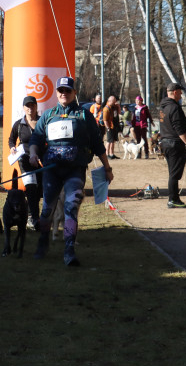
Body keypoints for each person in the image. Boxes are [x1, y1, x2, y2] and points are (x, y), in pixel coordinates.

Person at [28, 76, 113, 265]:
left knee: (71, 207)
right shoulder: (48, 115)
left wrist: (107, 168)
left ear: (74, 93)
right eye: (61, 91)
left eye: (68, 90)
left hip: (75, 170)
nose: (64, 94)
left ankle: (69, 250)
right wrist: (33, 154)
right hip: (51, 171)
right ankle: (43, 242)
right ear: (56, 93)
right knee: (47, 209)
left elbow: (98, 144)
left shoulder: (84, 115)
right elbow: (35, 139)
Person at [158, 82, 186, 208]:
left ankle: (174, 198)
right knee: (174, 174)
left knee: (172, 173)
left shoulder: (163, 107)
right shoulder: (174, 108)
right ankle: (172, 199)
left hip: (165, 142)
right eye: (180, 92)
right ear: (175, 92)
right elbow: (179, 129)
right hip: (174, 144)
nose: (181, 95)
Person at [8, 95, 43, 228]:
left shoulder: (42, 121)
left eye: (32, 105)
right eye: (27, 106)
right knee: (31, 188)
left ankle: (32, 213)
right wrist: (12, 147)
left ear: (36, 107)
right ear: (23, 108)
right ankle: (33, 218)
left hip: (41, 159)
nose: (30, 108)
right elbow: (11, 139)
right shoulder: (19, 124)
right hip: (24, 160)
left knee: (40, 189)